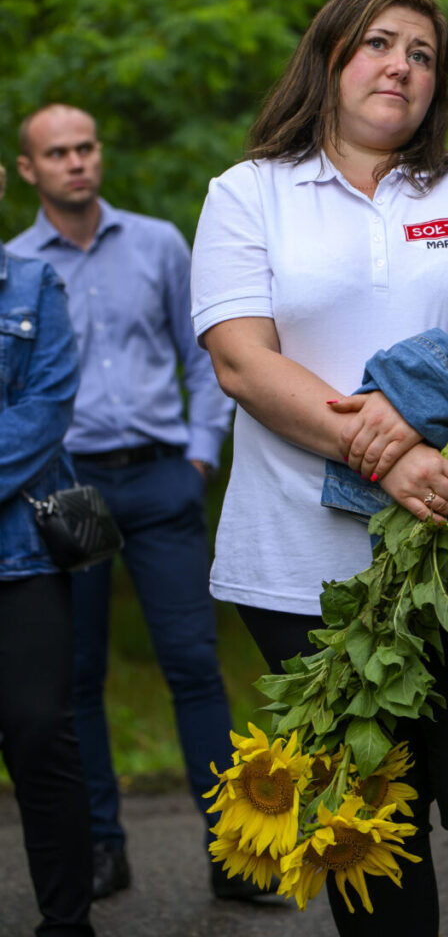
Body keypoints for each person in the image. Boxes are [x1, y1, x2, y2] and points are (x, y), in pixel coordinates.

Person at [191, 0, 448, 937]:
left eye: (421, 53)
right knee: (373, 822)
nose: (401, 65)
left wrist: (412, 425)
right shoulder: (249, 193)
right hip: (302, 567)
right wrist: (384, 461)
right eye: (378, 43)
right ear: (328, 56)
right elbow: (242, 359)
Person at [6, 105, 245, 902]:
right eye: (57, 153)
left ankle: (233, 849)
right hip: (61, 492)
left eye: (86, 147)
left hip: (161, 477)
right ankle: (102, 849)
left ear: (99, 155)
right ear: (29, 169)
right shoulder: (14, 268)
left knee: (194, 667)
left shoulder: (158, 243)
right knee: (75, 680)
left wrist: (201, 453)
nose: (76, 162)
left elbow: (206, 351)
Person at [0, 161, 96, 935]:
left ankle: (68, 922)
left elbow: (44, 413)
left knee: (39, 733)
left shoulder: (35, 287)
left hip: (20, 558)